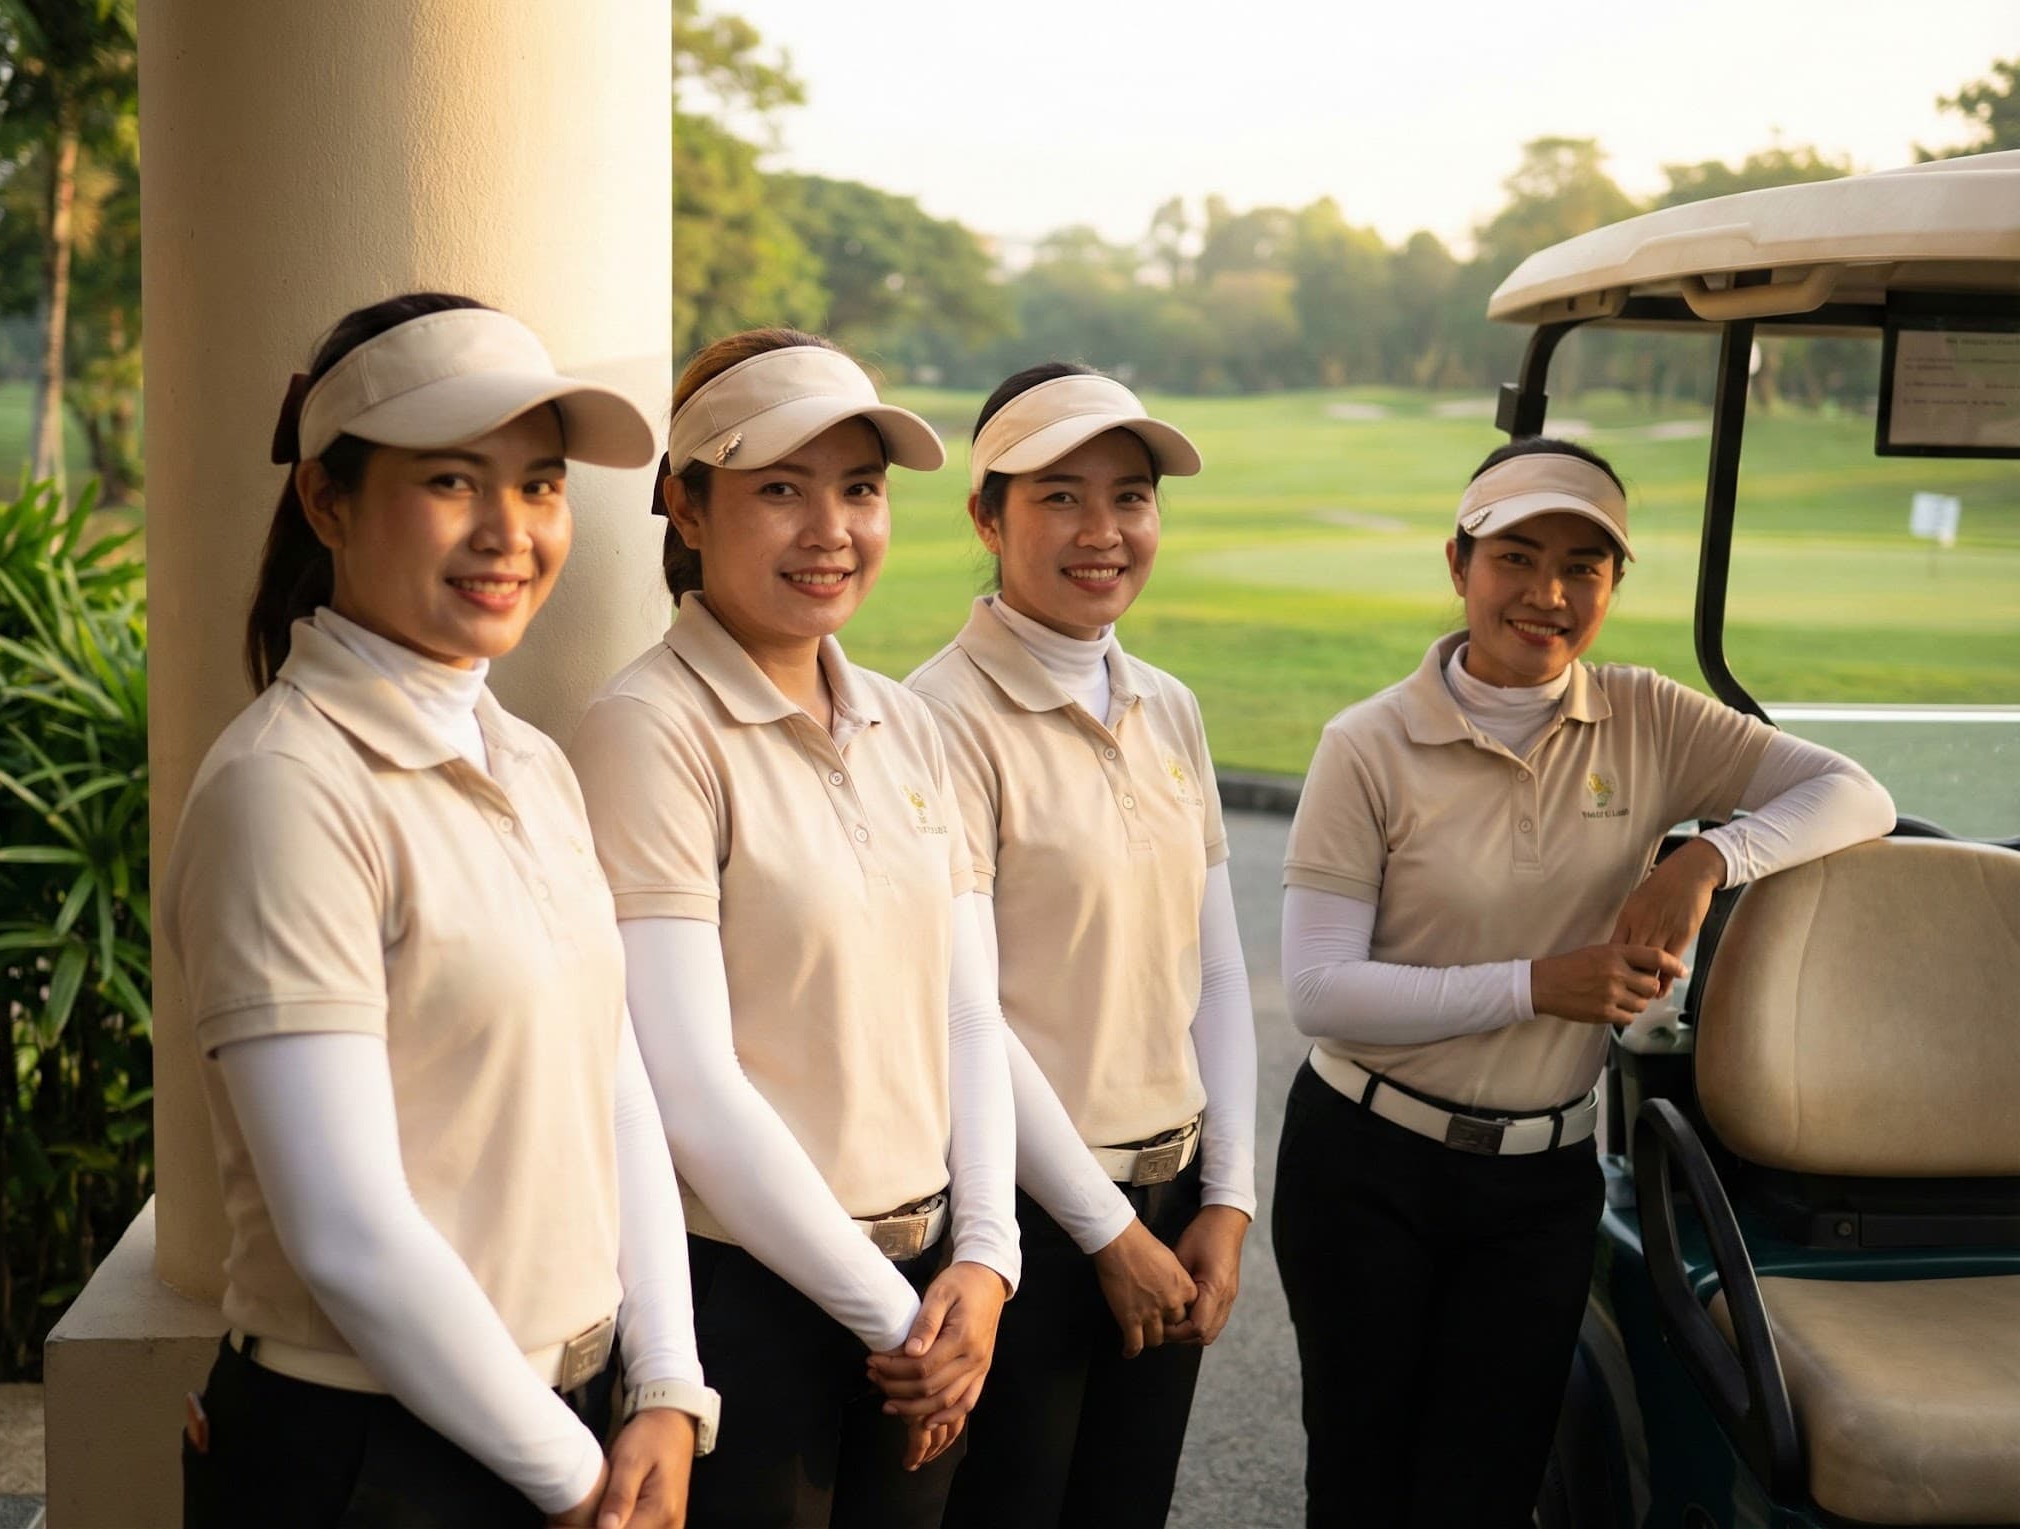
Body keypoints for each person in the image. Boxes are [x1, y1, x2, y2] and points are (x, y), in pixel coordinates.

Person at [161, 293, 717, 1529]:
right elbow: (346, 1229)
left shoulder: (530, 761)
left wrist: (667, 1384)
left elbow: (611, 1081)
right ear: (327, 499)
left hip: (569, 1422)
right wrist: (577, 1485)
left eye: (539, 484)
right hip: (371, 1458)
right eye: (453, 481)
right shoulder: (284, 790)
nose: (507, 531)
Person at [1271, 437, 1897, 1527]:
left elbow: (1853, 793)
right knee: (1362, 1478)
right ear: (1457, 563)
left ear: (1612, 584)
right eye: (1515, 556)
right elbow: (1321, 990)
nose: (1546, 593)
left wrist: (1704, 858)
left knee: (1489, 1481)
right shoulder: (1366, 743)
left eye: (1582, 566)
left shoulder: (1646, 715)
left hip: (1540, 1178)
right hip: (1365, 1164)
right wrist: (1533, 985)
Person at [567, 329, 1021, 1529]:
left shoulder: (908, 723)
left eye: (859, 488)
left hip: (923, 1291)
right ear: (688, 504)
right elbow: (689, 1088)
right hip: (755, 1300)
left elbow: (969, 1011)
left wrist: (984, 1257)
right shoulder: (648, 731)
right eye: (779, 487)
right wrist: (901, 1324)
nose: (831, 529)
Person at [902, 364, 1258, 1529]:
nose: (1102, 531)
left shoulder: (1168, 701)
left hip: (1170, 1199)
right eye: (1059, 496)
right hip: (1024, 1220)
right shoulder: (932, 719)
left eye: (1131, 495)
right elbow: (967, 1012)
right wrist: (1106, 1232)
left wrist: (1226, 1197)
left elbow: (1212, 970)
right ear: (984, 515)